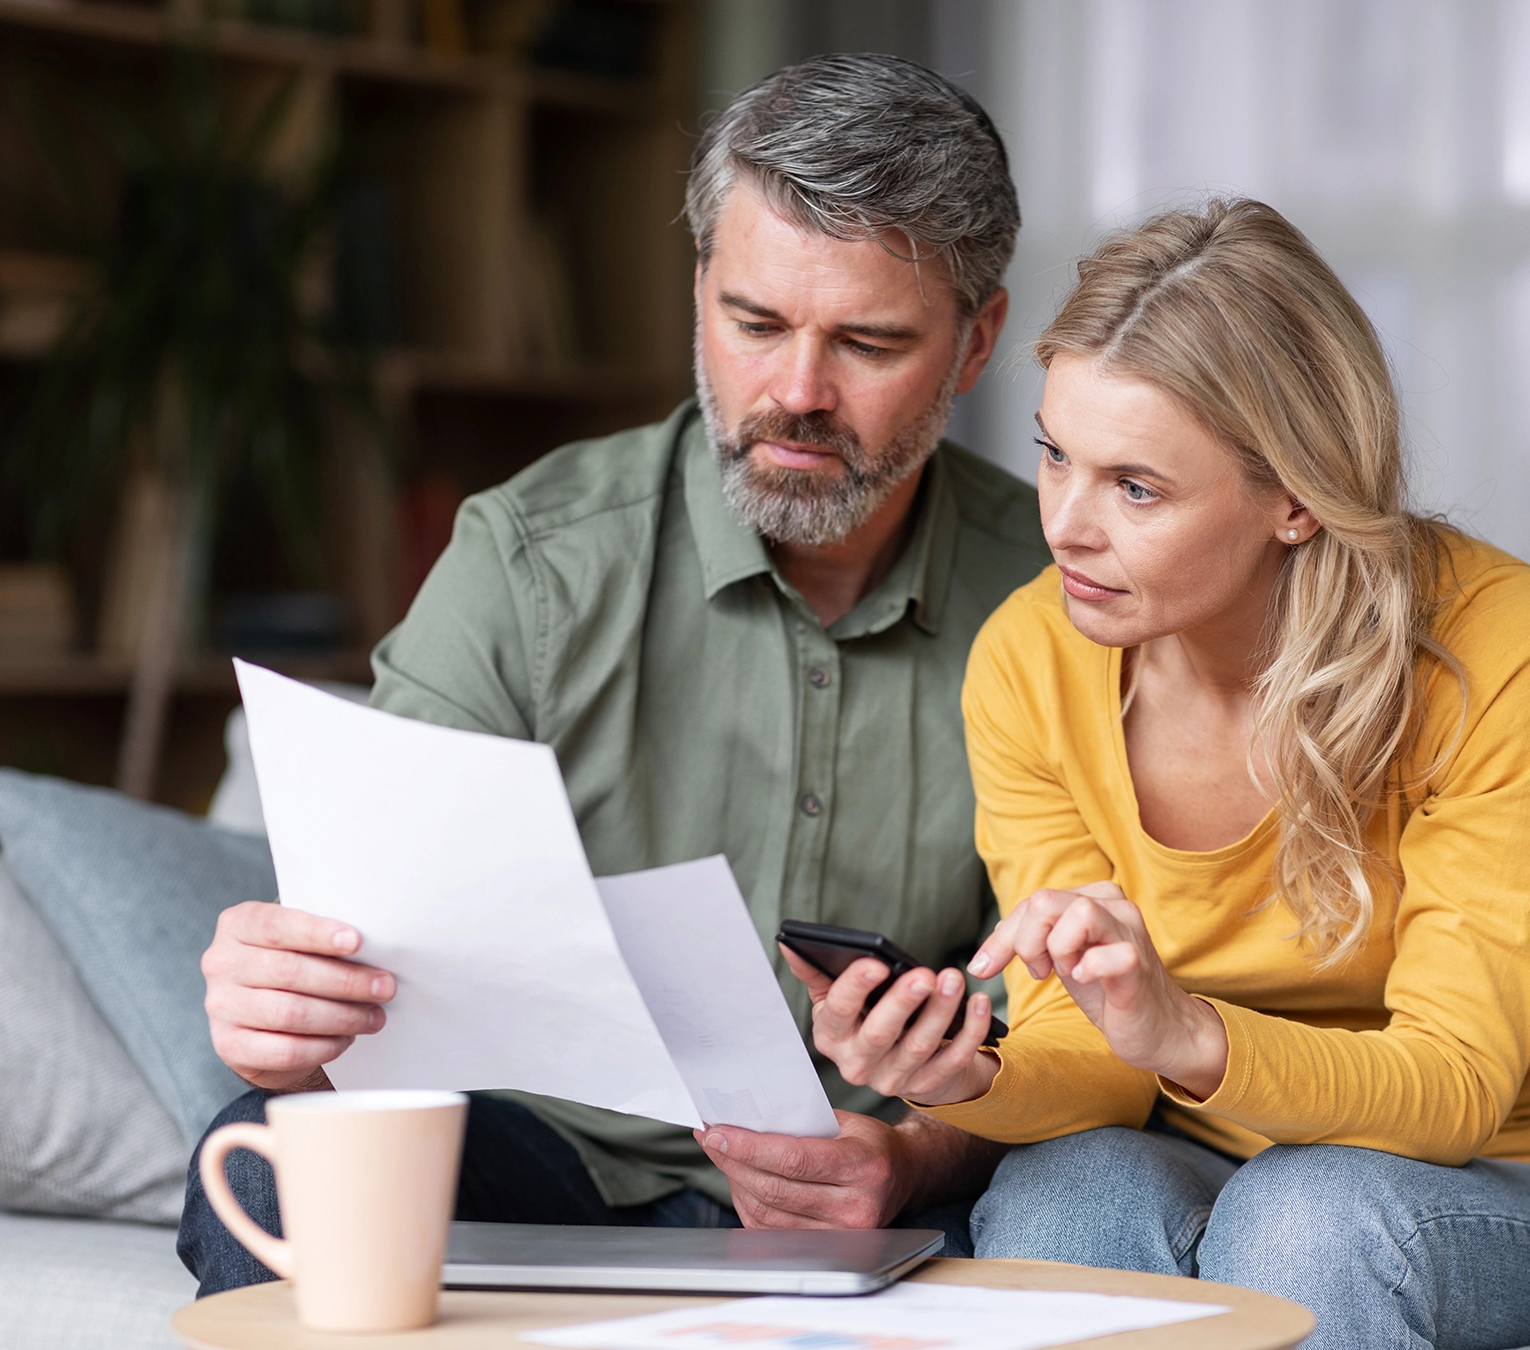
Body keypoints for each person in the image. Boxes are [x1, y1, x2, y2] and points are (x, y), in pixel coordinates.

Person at [179, 53, 1051, 1295]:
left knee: (1073, 1205)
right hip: (554, 1154)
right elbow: (370, 958)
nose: (796, 393)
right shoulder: (530, 560)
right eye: (753, 324)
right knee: (271, 1158)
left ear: (975, 344)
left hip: (903, 1180)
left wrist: (919, 1156)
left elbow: (1093, 1021)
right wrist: (290, 1025)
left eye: (867, 342)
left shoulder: (1065, 599)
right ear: (698, 289)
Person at [790, 201, 1530, 1349]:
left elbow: (1455, 1087)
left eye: (1135, 488)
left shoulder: (1491, 640)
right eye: (1053, 454)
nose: (1063, 526)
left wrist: (1183, 1031)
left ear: (1294, 499)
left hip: (1526, 1185)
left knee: (1304, 1215)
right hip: (1205, 1165)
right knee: (1057, 1197)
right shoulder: (1029, 656)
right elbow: (1094, 1065)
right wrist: (956, 1076)